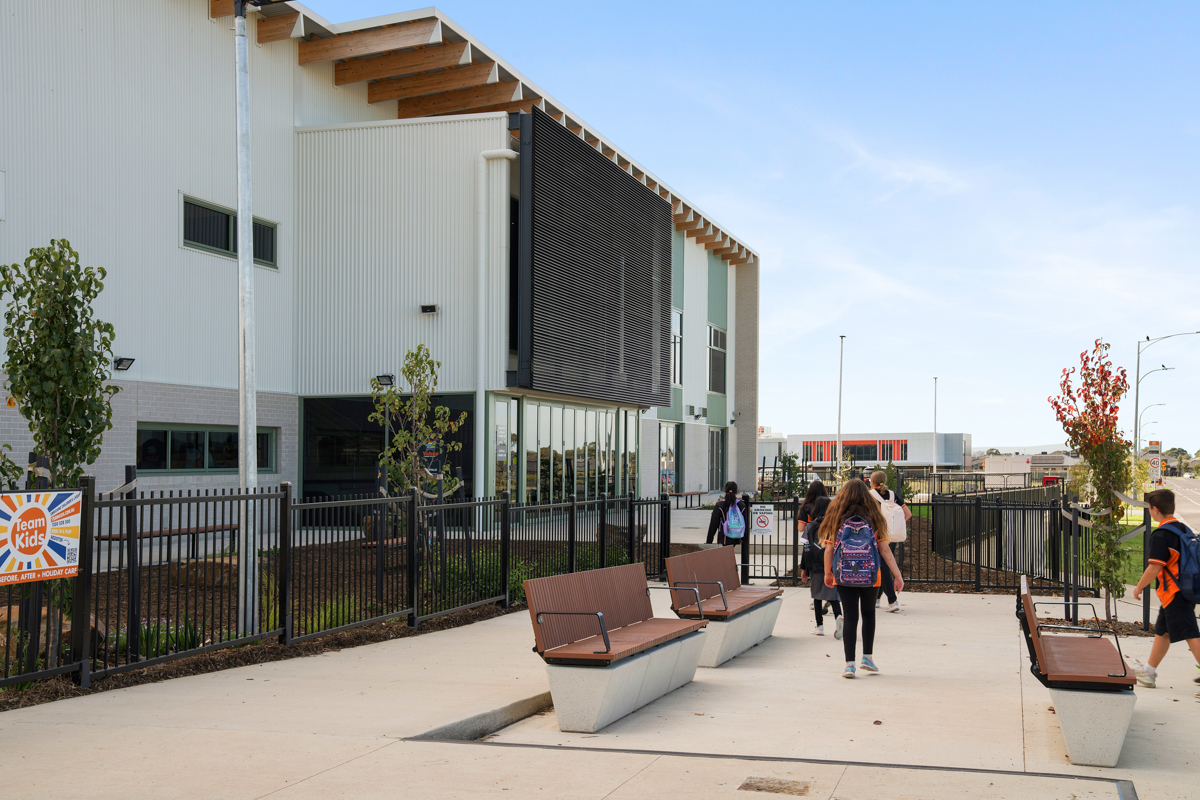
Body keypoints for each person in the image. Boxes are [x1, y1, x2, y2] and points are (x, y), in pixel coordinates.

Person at [821, 478, 904, 678]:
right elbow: (884, 549)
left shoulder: (836, 516)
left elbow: (829, 549)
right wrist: (897, 574)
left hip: (844, 574)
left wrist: (828, 573)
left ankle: (849, 665)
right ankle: (867, 658)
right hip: (870, 575)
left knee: (850, 618)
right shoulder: (874, 517)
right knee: (868, 615)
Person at [1131, 489, 1200, 689]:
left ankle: (1148, 673)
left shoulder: (1162, 534)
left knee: (1190, 633)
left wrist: (1139, 587)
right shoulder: (1183, 529)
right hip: (1184, 588)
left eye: (1150, 508)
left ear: (1155, 509)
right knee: (1164, 632)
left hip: (1174, 592)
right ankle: (1148, 672)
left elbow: (1155, 567)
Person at [799, 481, 843, 637]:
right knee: (833, 595)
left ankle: (819, 626)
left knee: (817, 596)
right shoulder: (835, 525)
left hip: (815, 566)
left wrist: (803, 568)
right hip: (831, 565)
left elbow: (806, 548)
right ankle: (839, 617)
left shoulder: (810, 526)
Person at [870, 470, 912, 613]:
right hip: (890, 535)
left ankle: (892, 600)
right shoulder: (892, 495)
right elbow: (908, 514)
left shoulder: (870, 495)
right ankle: (877, 598)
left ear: (872, 482)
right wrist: (894, 527)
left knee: (884, 566)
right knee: (884, 564)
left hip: (876, 534)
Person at [706, 481, 748, 546]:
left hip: (724, 536)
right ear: (737, 491)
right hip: (737, 536)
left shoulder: (720, 505)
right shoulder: (742, 505)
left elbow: (713, 524)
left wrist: (709, 541)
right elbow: (745, 522)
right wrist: (744, 538)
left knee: (724, 554)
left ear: (725, 490)